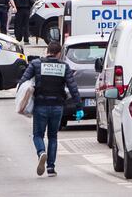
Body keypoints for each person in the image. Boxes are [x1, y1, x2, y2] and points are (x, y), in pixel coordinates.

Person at [18, 41, 83, 177]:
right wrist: (78, 106)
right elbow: (73, 88)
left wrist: (21, 98)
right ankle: (51, 168)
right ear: (59, 54)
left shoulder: (36, 64)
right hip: (58, 107)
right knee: (53, 136)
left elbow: (23, 81)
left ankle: (41, 152)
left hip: (40, 105)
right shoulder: (64, 67)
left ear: (47, 51)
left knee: (38, 135)